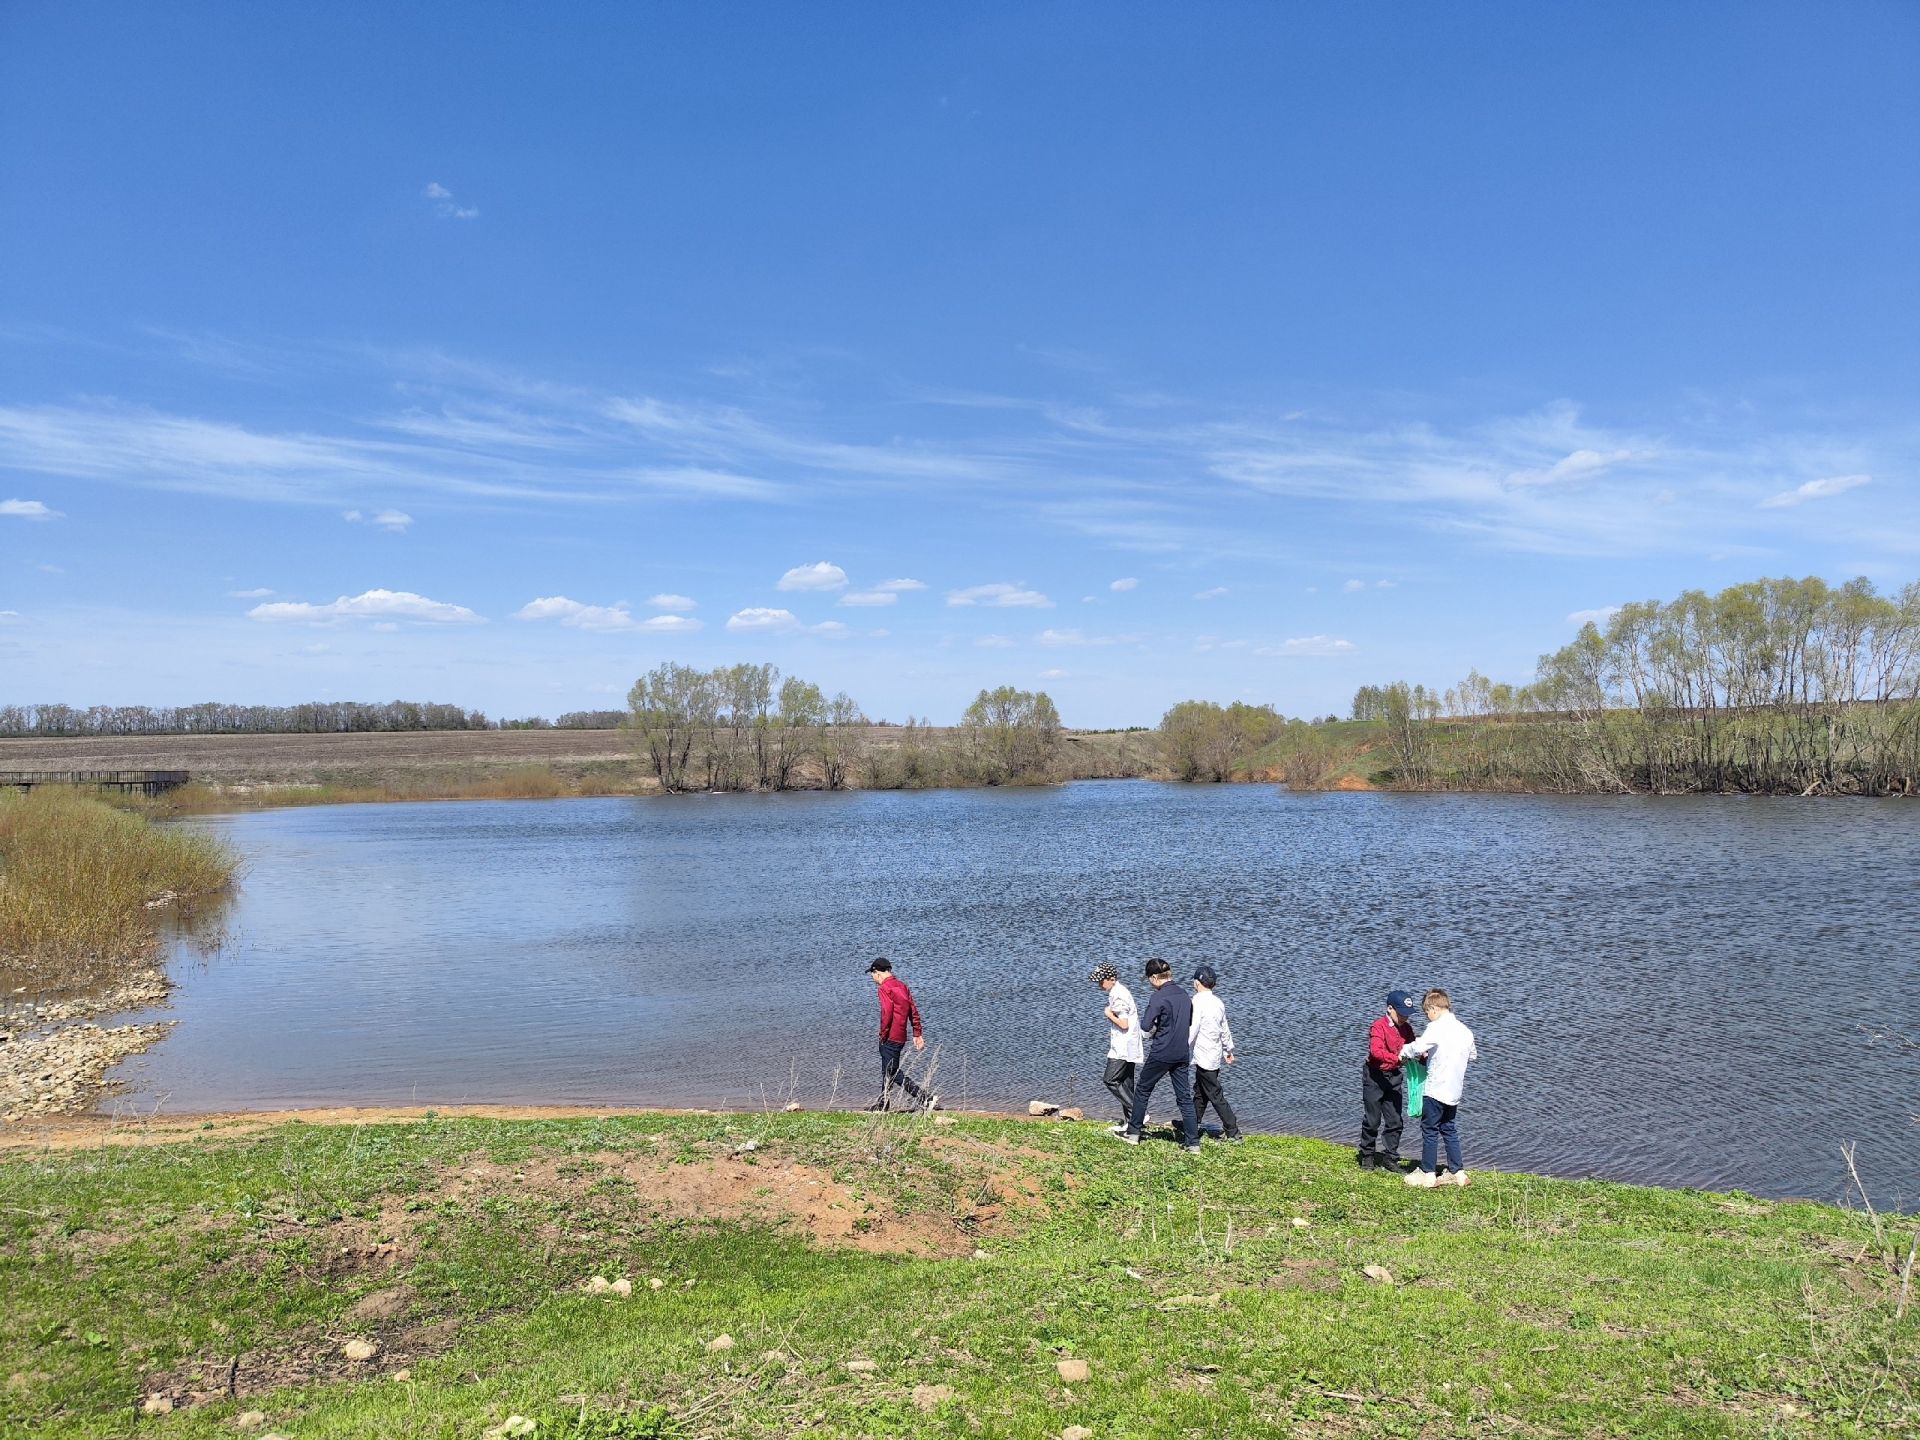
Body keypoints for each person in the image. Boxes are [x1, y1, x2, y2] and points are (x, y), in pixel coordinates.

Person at [1117, 957, 1200, 1153]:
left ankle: (1133, 1133)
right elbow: (1186, 1023)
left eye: (1149, 979)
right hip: (1182, 1053)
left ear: (1154, 977)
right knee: (1184, 1098)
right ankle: (1193, 1143)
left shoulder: (1158, 997)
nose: (1150, 983)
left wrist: (1155, 1029)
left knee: (1143, 1090)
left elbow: (1145, 1026)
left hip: (1162, 1052)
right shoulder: (1185, 995)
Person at [1399, 988, 1477, 1188]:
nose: (1427, 1016)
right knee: (1449, 1128)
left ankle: (1427, 1173)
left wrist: (1403, 1052)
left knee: (1429, 1129)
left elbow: (1417, 1047)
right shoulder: (1465, 1031)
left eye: (1427, 1012)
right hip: (1454, 1091)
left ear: (1434, 1008)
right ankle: (1457, 1171)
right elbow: (1472, 1055)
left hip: (1435, 1089)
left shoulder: (1436, 1028)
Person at [1357, 989, 1421, 1171]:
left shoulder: (1406, 1029)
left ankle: (1390, 1158)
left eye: (1407, 1014)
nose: (1405, 1018)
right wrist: (1397, 1059)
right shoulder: (1378, 1026)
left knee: (1395, 1121)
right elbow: (1375, 1052)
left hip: (1394, 1077)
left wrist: (1423, 1055)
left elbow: (1412, 1048)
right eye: (1401, 1014)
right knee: (1372, 1119)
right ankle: (1367, 1156)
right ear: (1390, 1009)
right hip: (1374, 1076)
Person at [865, 957, 938, 1113]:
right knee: (888, 1069)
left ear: (877, 972)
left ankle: (925, 1098)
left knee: (892, 1072)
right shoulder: (902, 986)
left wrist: (883, 1034)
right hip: (900, 1037)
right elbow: (913, 1010)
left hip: (890, 1036)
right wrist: (917, 1032)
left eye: (872, 974)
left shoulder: (885, 988)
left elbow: (887, 1013)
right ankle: (883, 1104)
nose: (872, 978)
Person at [1187, 966, 1242, 1142]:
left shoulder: (1196, 1001)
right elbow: (1224, 1028)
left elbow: (1193, 1028)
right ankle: (1192, 1123)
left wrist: (1180, 1046)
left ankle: (1232, 1130)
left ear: (1196, 983)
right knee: (1200, 1092)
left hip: (1203, 1056)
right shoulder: (1218, 1002)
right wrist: (1228, 1050)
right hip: (1214, 1054)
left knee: (1214, 1094)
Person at [1091, 963, 1145, 1133]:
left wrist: (1108, 1014)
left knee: (1111, 1080)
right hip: (1129, 1045)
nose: (1099, 984)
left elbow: (1124, 1024)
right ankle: (1131, 1124)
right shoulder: (1118, 992)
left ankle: (1139, 1113)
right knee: (1126, 1083)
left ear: (1111, 979)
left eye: (1101, 981)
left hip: (1122, 1046)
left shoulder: (1119, 995)